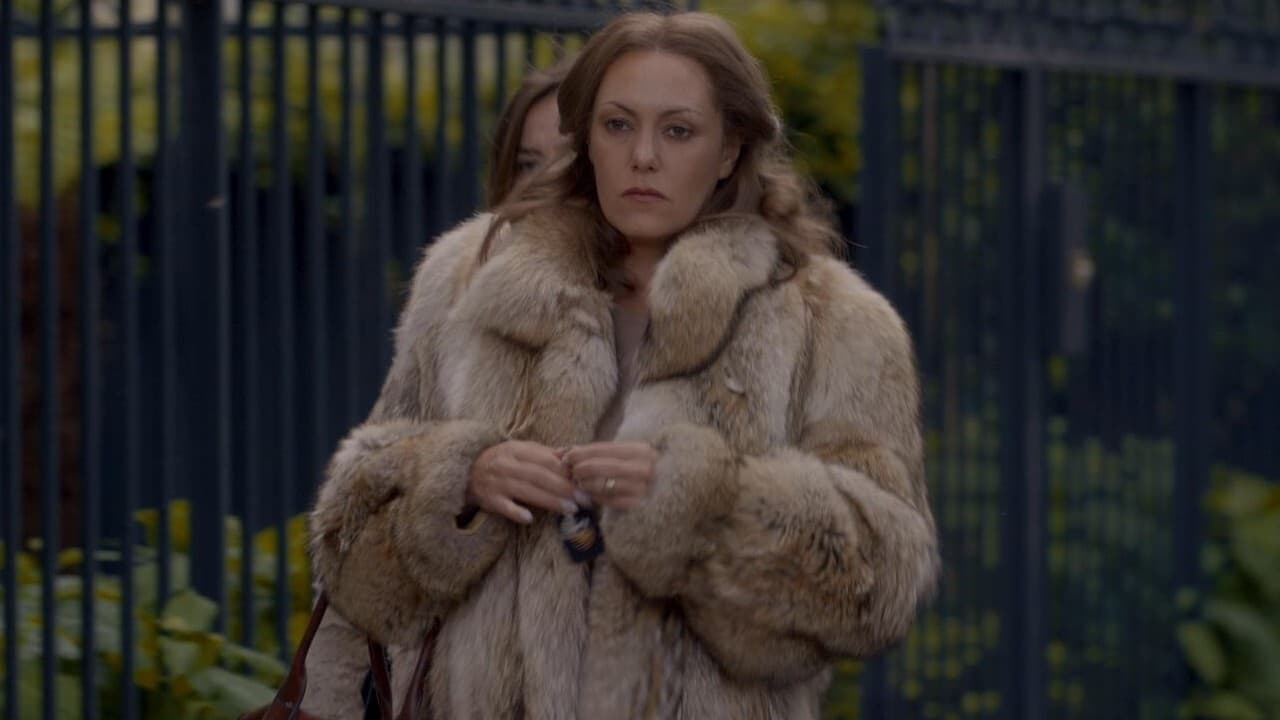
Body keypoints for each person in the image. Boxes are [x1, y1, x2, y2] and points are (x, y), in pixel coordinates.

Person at [306, 11, 939, 719]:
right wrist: (458, 476)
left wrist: (705, 505)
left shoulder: (834, 322)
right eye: (617, 125)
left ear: (729, 149)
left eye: (678, 131)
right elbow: (351, 545)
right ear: (586, 139)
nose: (643, 156)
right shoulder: (471, 280)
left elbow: (882, 584)